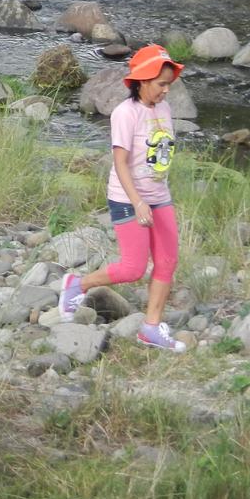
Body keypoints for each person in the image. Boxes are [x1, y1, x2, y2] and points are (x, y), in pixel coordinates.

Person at [60, 44, 186, 352]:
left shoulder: (164, 110)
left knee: (167, 262)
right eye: (161, 84)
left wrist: (153, 195)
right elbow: (120, 163)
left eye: (169, 84)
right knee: (132, 269)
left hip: (159, 196)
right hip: (127, 198)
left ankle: (151, 328)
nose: (167, 90)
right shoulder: (125, 113)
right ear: (142, 80)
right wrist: (138, 201)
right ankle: (78, 284)